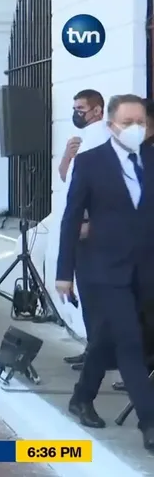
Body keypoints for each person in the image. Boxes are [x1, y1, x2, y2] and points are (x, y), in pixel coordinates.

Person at [55, 94, 154, 451]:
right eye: (127, 123)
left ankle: (82, 397)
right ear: (111, 125)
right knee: (128, 341)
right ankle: (149, 422)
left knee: (108, 338)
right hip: (102, 268)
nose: (135, 129)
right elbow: (70, 219)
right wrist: (63, 271)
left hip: (145, 271)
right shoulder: (91, 163)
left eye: (140, 122)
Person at [56, 89, 109, 370]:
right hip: (77, 224)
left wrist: (88, 222)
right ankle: (92, 348)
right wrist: (67, 154)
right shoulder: (83, 140)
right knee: (86, 295)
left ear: (98, 110)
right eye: (75, 107)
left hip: (88, 228)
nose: (77, 113)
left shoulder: (100, 136)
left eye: (82, 108)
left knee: (94, 295)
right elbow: (66, 177)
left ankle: (98, 353)